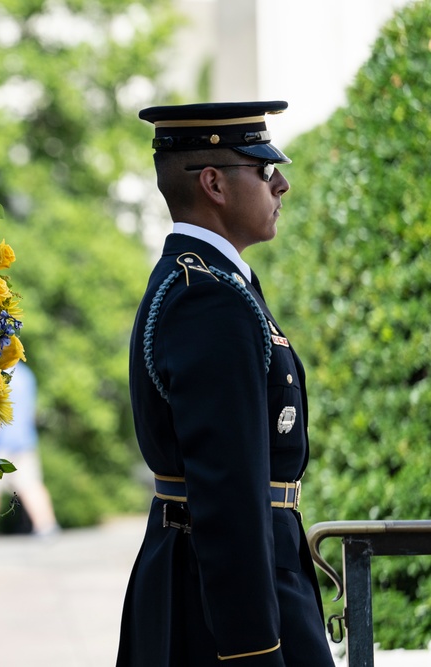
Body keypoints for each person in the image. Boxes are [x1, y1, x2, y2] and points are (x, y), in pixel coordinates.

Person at [116, 101, 334, 666]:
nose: (280, 184)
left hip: (206, 584)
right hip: (225, 610)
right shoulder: (209, 298)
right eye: (264, 170)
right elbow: (229, 494)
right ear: (213, 183)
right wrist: (253, 650)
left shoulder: (207, 284)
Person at [0, 362, 58, 538]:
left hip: (1, 441)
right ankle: (47, 527)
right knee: (32, 485)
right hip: (25, 440)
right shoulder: (26, 375)